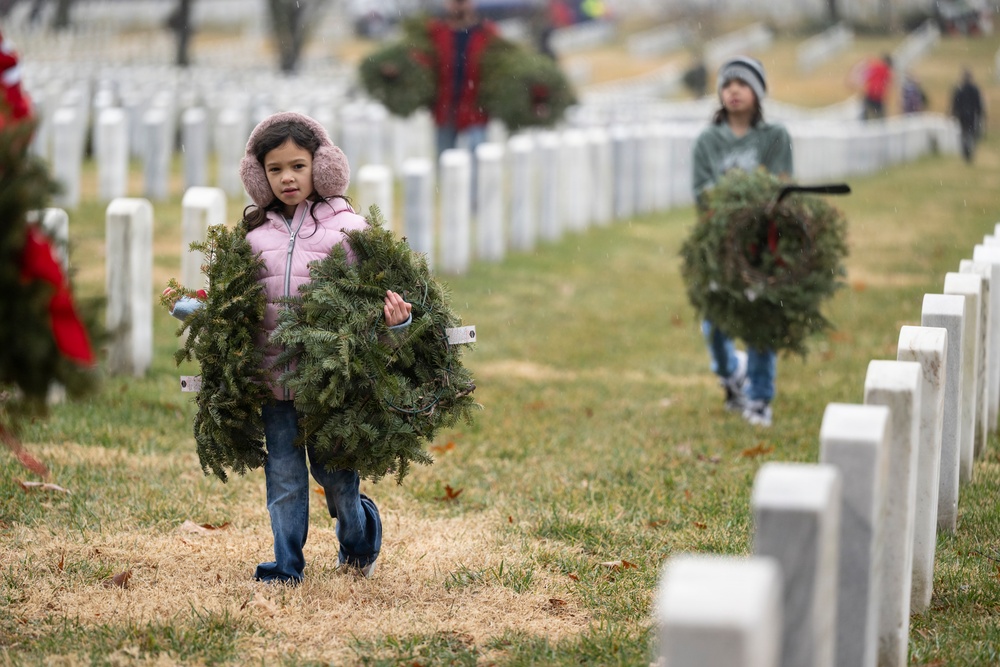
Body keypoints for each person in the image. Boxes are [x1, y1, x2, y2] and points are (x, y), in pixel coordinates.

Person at [166, 112, 413, 584]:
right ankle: (286, 567)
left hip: (329, 387)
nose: (287, 178)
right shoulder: (253, 237)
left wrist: (395, 325)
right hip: (273, 385)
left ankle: (360, 540)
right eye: (275, 169)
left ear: (321, 168)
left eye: (298, 166)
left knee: (337, 479)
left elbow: (373, 303)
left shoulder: (349, 231)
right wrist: (205, 314)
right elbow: (235, 307)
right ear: (259, 176)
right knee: (284, 483)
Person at [691, 56, 793, 428]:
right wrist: (734, 203)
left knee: (760, 319)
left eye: (743, 84)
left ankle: (760, 397)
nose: (734, 90)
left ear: (758, 92)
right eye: (728, 84)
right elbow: (702, 192)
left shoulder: (774, 137)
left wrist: (754, 209)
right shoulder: (707, 141)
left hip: (762, 244)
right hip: (719, 243)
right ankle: (731, 372)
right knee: (715, 319)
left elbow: (778, 186)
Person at [426, 0, 498, 157]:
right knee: (446, 162)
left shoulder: (487, 33)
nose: (459, 6)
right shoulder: (435, 32)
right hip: (445, 110)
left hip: (476, 110)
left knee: (479, 161)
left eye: (463, 2)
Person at [951, 68, 985, 164]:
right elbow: (978, 104)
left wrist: (953, 113)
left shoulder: (959, 89)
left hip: (962, 115)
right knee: (970, 134)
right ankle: (969, 152)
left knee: (964, 134)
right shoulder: (974, 89)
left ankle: (966, 151)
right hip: (971, 115)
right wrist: (980, 114)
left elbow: (955, 103)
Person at [859, 54, 893, 121]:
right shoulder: (888, 72)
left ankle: (863, 125)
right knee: (880, 116)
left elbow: (865, 76)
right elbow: (887, 85)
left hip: (870, 94)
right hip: (879, 97)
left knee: (865, 114)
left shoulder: (876, 68)